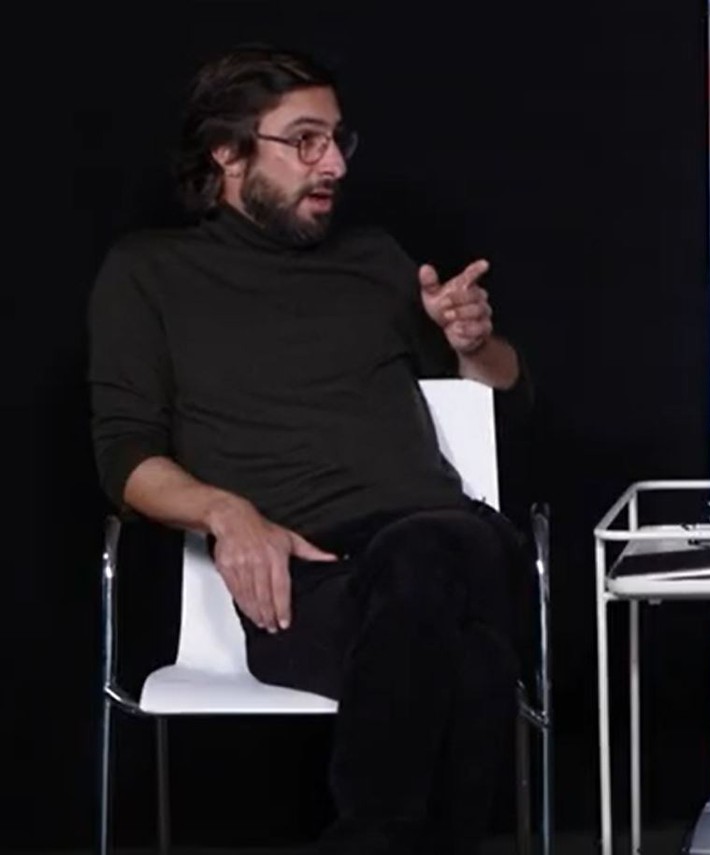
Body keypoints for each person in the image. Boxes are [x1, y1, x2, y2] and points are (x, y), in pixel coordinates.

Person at [87, 45, 532, 854]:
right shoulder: (149, 274)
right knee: (471, 665)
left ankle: (364, 835)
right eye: (305, 141)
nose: (334, 164)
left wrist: (473, 343)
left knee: (423, 554)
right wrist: (227, 512)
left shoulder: (375, 261)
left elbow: (500, 398)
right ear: (227, 153)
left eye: (337, 140)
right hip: (303, 588)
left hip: (446, 537)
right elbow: (125, 456)